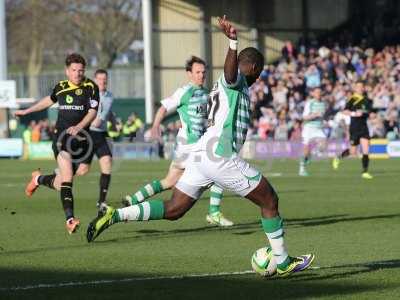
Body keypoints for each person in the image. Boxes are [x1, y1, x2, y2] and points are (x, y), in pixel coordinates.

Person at [87, 15, 314, 277]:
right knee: (269, 199)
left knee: (174, 209)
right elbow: (231, 73)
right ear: (252, 68)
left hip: (202, 156)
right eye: (259, 70)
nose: (259, 75)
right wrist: (232, 43)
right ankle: (283, 260)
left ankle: (116, 215)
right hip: (220, 156)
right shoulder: (236, 79)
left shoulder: (227, 86)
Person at [122, 55, 233, 227]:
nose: (201, 75)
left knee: (169, 181)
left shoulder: (206, 93)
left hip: (193, 145)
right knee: (218, 170)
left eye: (203, 72)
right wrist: (155, 126)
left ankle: (134, 199)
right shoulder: (184, 92)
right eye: (197, 72)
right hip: (189, 145)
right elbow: (164, 108)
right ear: (189, 73)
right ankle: (214, 212)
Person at [15, 53, 99, 234]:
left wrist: (79, 126)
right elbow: (47, 101)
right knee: (67, 176)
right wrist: (27, 111)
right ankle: (70, 219)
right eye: (74, 70)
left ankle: (38, 179)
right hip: (61, 139)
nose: (78, 74)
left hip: (82, 140)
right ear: (67, 71)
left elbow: (92, 112)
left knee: (63, 182)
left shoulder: (91, 87)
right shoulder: (60, 87)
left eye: (81, 70)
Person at [72, 69, 114, 208]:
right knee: (82, 170)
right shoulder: (88, 94)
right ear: (95, 80)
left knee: (107, 162)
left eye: (105, 79)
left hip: (101, 135)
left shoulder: (110, 96)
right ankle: (54, 175)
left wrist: (113, 122)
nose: (103, 81)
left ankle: (101, 201)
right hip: (88, 134)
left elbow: (107, 112)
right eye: (100, 79)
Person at [332, 81, 373, 179]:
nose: (360, 88)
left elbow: (369, 112)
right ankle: (338, 157)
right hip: (354, 128)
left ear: (363, 88)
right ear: (355, 88)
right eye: (358, 87)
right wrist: (354, 114)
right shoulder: (352, 99)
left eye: (361, 86)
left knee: (366, 149)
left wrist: (366, 113)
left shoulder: (367, 100)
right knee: (353, 152)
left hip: (363, 127)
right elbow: (345, 111)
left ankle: (365, 172)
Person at [299, 87, 327, 176]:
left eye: (320, 92)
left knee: (324, 145)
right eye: (317, 92)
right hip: (309, 128)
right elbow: (304, 117)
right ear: (313, 94)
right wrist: (315, 115)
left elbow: (322, 116)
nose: (319, 94)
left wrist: (324, 121)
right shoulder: (310, 103)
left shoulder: (323, 103)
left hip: (318, 128)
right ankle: (302, 168)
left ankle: (312, 154)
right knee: (306, 150)